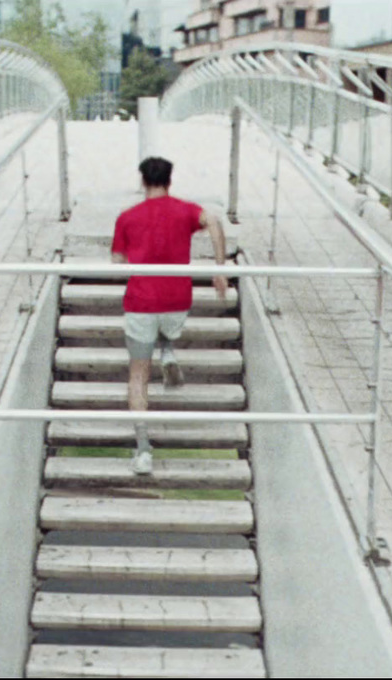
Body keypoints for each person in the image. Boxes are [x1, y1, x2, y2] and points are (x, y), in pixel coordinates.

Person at [111, 156, 228, 475]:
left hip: (141, 302)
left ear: (142, 181)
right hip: (178, 299)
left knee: (138, 374)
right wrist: (220, 268)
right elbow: (214, 221)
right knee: (168, 324)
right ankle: (168, 349)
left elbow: (118, 261)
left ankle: (144, 449)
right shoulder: (186, 210)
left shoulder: (127, 217)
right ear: (169, 180)